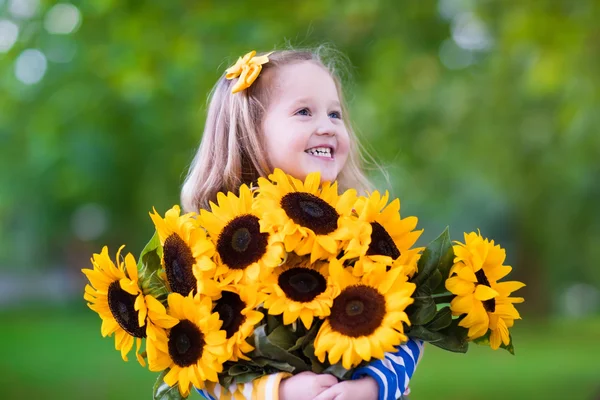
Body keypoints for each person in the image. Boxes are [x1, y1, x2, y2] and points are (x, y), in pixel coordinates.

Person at [180, 47, 424, 400]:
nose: (326, 126)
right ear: (248, 132)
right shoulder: (213, 250)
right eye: (304, 112)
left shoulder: (364, 233)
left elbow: (408, 325)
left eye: (335, 113)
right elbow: (198, 368)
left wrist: (371, 387)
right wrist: (278, 393)